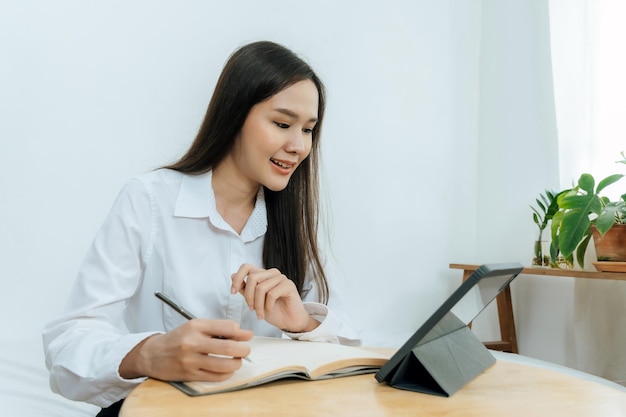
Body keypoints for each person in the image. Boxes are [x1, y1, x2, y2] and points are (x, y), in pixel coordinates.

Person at [42, 40, 360, 416]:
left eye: (308, 129)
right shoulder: (149, 200)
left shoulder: (292, 219)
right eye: (282, 123)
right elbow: (66, 349)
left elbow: (348, 357)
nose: (298, 146)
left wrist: (303, 323)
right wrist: (149, 354)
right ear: (234, 115)